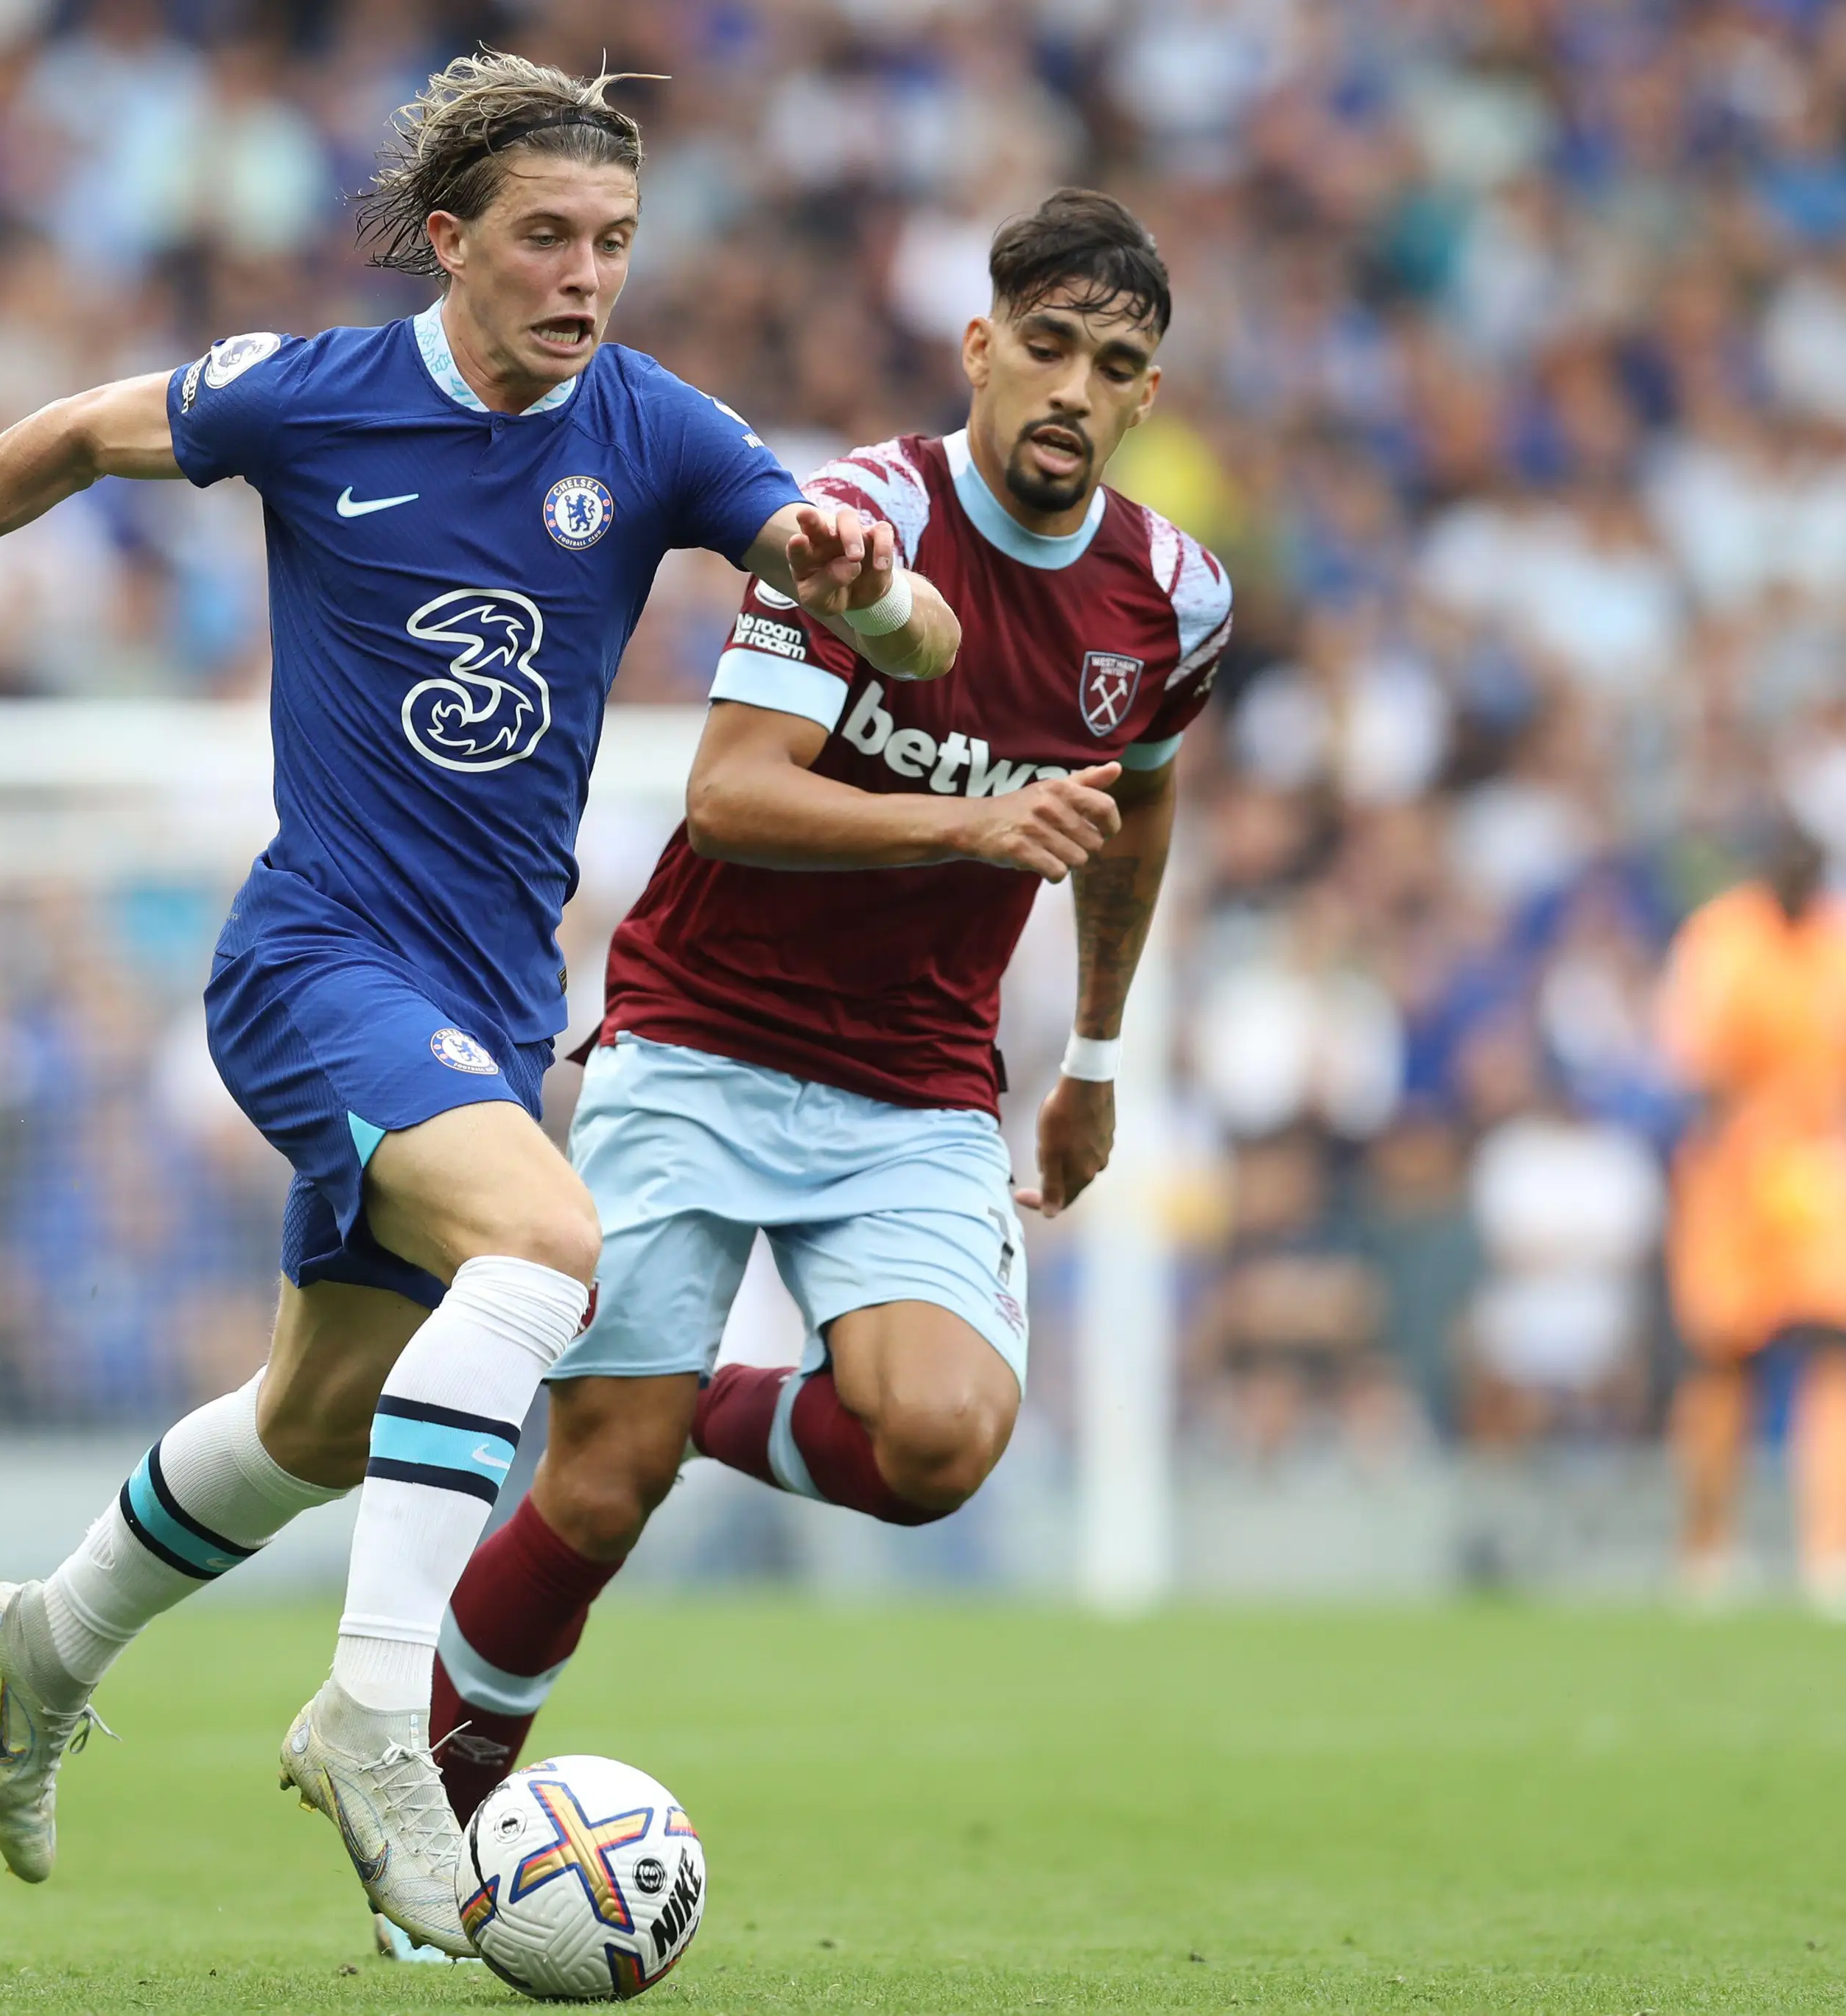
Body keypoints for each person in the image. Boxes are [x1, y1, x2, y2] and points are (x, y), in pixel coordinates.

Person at [0, 54, 959, 1954]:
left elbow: (895, 622)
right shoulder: (310, 395)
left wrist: (871, 596)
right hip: (316, 961)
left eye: (613, 240)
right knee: (548, 1247)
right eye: (545, 236)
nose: (585, 275)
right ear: (449, 239)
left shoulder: (659, 428)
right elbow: (69, 434)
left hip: (485, 999)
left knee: (320, 1419)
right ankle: (374, 1716)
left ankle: (47, 1642)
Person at [418, 189, 1228, 1866]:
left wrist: (1090, 1057)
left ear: (1147, 396)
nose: (1074, 390)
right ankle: (426, 1830)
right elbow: (730, 794)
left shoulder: (1173, 597)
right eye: (1050, 347)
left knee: (938, 1443)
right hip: (702, 1034)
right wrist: (969, 824)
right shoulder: (862, 521)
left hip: (918, 1078)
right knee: (597, 1487)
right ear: (981, 348)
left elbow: (1136, 808)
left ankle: (692, 1395)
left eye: (1115, 367)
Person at [1657, 824, 1846, 1618]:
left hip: (1830, 1164)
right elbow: (1697, 1070)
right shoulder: (1720, 942)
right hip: (1737, 1167)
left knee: (1839, 1346)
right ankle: (1708, 1549)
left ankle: (1836, 1549)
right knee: (1724, 1358)